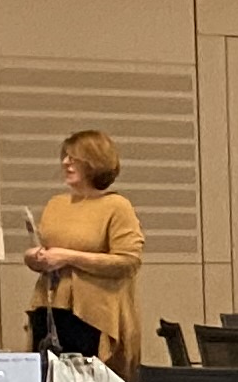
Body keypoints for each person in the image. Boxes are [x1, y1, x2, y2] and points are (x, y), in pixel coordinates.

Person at [23, 129, 146, 364]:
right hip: (50, 307)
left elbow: (128, 262)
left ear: (94, 162)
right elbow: (49, 253)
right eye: (65, 156)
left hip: (93, 315)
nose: (65, 162)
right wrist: (34, 257)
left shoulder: (117, 206)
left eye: (74, 158)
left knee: (86, 380)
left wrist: (69, 257)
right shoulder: (56, 204)